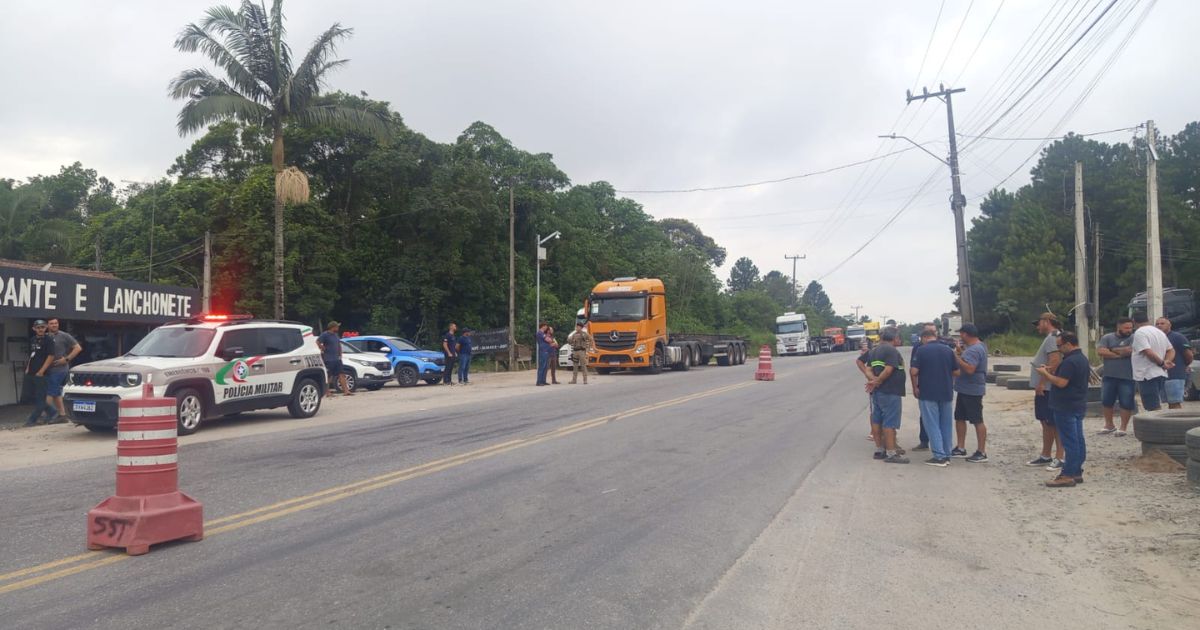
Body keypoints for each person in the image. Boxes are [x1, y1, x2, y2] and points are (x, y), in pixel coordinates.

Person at [1037, 331, 1090, 487]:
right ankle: (1076, 471)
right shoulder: (1081, 359)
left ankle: (1067, 474)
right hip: (1077, 404)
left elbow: (1061, 383)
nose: (1058, 349)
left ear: (1068, 344)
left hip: (1065, 405)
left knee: (1070, 441)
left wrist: (1045, 374)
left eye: (1060, 346)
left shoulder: (1070, 361)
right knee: (1078, 439)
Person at [912, 328, 959, 467]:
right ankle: (947, 453)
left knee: (932, 424)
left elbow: (914, 371)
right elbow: (956, 372)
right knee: (946, 424)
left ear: (924, 338)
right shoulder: (948, 350)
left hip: (928, 392)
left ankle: (939, 456)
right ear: (935, 336)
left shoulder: (921, 350)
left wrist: (916, 387)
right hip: (946, 392)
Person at [1026, 312, 1065, 470]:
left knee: (1053, 423)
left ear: (1047, 321)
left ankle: (1059, 457)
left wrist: (1042, 382)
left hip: (1048, 388)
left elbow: (1054, 360)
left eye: (1039, 322)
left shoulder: (1052, 337)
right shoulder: (1054, 337)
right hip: (1046, 388)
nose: (1037, 326)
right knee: (1045, 422)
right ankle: (1046, 455)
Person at [865, 327, 908, 464]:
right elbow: (889, 369)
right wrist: (878, 381)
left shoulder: (874, 351)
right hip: (890, 391)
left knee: (877, 420)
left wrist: (873, 381)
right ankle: (891, 453)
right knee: (890, 422)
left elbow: (868, 369)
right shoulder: (891, 350)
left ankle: (880, 450)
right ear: (894, 338)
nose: (899, 340)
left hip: (878, 392)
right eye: (898, 338)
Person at [953, 323, 989, 462]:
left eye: (961, 334)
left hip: (972, 390)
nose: (960, 337)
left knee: (977, 419)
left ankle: (981, 451)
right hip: (964, 388)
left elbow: (969, 369)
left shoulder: (974, 350)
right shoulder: (977, 347)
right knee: (960, 417)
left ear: (966, 334)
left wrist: (956, 358)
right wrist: (961, 353)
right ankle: (960, 447)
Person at [1096, 317, 1137, 435]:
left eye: (1130, 327)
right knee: (1106, 400)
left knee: (1126, 401)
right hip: (1109, 375)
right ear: (1118, 327)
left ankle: (1123, 427)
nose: (1129, 330)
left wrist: (1111, 350)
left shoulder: (1134, 337)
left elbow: (1130, 350)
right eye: (1126, 328)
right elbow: (1100, 351)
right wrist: (1119, 354)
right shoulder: (1107, 337)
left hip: (1127, 376)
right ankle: (1109, 425)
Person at [1130, 311, 1173, 411]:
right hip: (1160, 373)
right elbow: (1171, 349)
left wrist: (1162, 363)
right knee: (1155, 403)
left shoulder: (1140, 333)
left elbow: (1148, 352)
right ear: (1148, 319)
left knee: (1152, 407)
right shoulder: (1159, 332)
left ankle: (1157, 426)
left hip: (1147, 374)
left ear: (1133, 321)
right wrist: (1167, 361)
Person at [45, 317, 82, 423]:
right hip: (47, 369)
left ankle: (47, 415)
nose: (54, 325)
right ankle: (62, 415)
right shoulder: (45, 337)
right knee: (56, 392)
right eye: (51, 323)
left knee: (49, 393)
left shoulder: (64, 335)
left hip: (59, 369)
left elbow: (78, 348)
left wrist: (66, 359)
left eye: (56, 323)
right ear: (47, 325)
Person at [909, 323, 937, 451]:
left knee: (940, 415)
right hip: (924, 384)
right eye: (929, 332)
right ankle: (924, 440)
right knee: (924, 415)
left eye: (934, 331)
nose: (932, 334)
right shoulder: (918, 348)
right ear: (923, 335)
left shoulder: (943, 345)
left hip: (940, 385)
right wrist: (915, 387)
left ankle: (939, 444)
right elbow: (913, 369)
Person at [22, 319, 55, 427]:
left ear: (46, 328)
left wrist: (42, 371)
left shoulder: (49, 340)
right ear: (34, 329)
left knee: (40, 398)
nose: (40, 329)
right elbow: (31, 355)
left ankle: (32, 420)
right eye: (38, 327)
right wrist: (27, 368)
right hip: (31, 372)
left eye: (42, 327)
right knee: (30, 396)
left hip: (42, 374)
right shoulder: (32, 340)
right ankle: (52, 412)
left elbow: (51, 356)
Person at [1156, 317, 1192, 410]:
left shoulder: (1178, 337)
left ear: (1169, 325)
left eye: (1162, 323)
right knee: (1167, 402)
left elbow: (1188, 355)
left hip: (1175, 375)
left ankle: (1177, 423)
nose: (1159, 325)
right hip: (1162, 375)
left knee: (1175, 403)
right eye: (1157, 324)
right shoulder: (1156, 338)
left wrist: (1184, 365)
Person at [317, 321, 352, 396]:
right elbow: (317, 341)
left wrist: (340, 353)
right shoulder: (325, 334)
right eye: (337, 326)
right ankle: (327, 392)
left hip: (337, 358)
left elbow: (338, 344)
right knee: (329, 375)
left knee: (342, 374)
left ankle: (346, 391)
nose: (338, 328)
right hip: (329, 359)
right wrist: (322, 348)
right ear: (333, 327)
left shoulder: (336, 335)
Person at [856, 344, 876, 442]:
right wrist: (868, 374)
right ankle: (874, 432)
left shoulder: (891, 351)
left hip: (885, 385)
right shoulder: (874, 351)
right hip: (875, 384)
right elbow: (859, 361)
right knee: (874, 410)